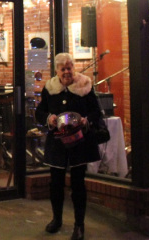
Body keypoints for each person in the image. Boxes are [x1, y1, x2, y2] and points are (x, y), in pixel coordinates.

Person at [35, 53, 102, 240]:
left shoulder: (85, 85)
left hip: (79, 143)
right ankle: (56, 219)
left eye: (69, 68)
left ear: (74, 68)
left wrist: (86, 120)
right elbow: (40, 111)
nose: (66, 72)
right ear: (56, 70)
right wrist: (49, 118)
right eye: (62, 68)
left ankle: (79, 225)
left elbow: (96, 111)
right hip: (57, 144)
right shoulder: (50, 88)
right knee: (55, 184)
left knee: (78, 184)